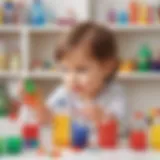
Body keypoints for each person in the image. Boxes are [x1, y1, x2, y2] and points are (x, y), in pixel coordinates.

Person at [40, 22, 126, 125]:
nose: (72, 78)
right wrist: (35, 105)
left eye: (81, 70)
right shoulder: (63, 94)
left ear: (107, 67)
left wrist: (103, 117)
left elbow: (120, 127)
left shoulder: (114, 95)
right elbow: (46, 118)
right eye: (65, 70)